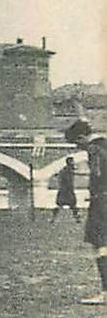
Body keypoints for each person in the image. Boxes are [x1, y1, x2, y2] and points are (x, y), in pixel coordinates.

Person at [63, 119, 107, 305]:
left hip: (102, 201)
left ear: (82, 137)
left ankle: (105, 291)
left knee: (101, 244)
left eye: (76, 143)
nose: (77, 147)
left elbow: (97, 174)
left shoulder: (94, 150)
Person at [52, 152, 79, 222]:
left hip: (66, 190)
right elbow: (66, 180)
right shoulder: (66, 170)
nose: (73, 163)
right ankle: (53, 218)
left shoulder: (68, 170)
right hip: (66, 190)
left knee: (72, 205)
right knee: (71, 205)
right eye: (72, 161)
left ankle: (77, 218)